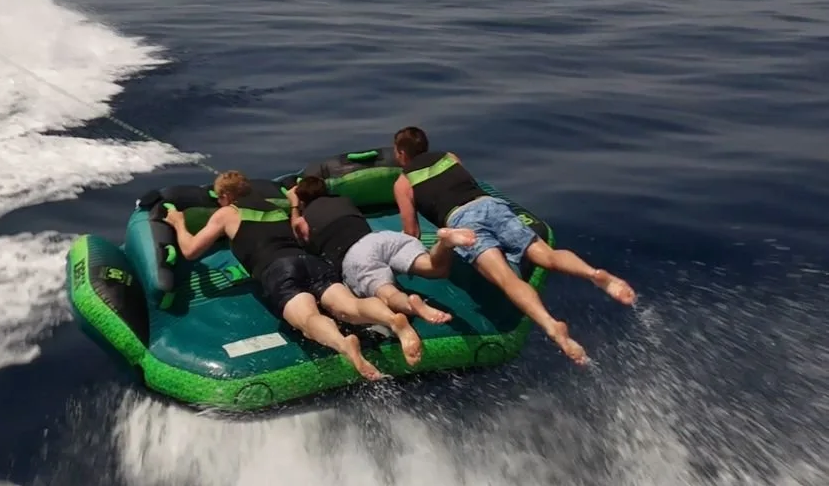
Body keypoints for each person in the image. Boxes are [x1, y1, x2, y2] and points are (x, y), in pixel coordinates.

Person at [391, 127, 636, 368]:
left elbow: (412, 232)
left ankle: (551, 325)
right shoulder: (450, 157)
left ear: (401, 153)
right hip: (490, 205)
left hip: (463, 221)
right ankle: (594, 274)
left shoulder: (403, 183)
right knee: (546, 255)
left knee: (507, 279)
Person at [162, 172, 421, 380]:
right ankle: (391, 318)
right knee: (349, 306)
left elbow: (190, 250)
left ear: (226, 196)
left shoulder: (227, 213)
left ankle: (344, 345)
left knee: (309, 319)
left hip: (278, 270)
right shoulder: (278, 211)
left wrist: (178, 223)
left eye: (219, 199)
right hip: (309, 262)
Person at [287, 175, 478, 338]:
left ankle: (412, 306)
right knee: (433, 267)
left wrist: (294, 206)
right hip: (382, 238)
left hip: (356, 255)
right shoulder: (342, 200)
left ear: (303, 201)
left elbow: (299, 228)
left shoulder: (305, 217)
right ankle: (444, 243)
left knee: (388, 295)